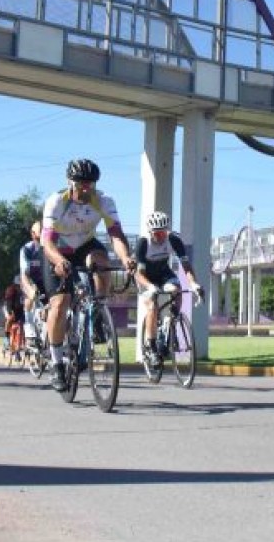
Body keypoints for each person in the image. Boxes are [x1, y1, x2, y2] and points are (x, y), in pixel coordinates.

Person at [40, 159, 135, 390]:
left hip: (85, 245)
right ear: (69, 182)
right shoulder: (56, 201)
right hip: (59, 248)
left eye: (90, 184)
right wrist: (59, 261)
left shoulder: (104, 201)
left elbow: (115, 235)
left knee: (101, 260)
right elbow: (47, 241)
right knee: (60, 303)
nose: (85, 189)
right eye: (81, 184)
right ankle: (56, 363)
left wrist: (125, 258)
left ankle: (98, 310)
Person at [132, 211, 204, 365]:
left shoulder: (173, 240)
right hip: (145, 277)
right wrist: (150, 286)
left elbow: (186, 266)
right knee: (152, 306)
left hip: (164, 273)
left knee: (177, 289)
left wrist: (193, 284)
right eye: (157, 233)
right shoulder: (143, 243)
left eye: (163, 232)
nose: (160, 236)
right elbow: (139, 274)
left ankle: (170, 324)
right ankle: (151, 347)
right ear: (150, 232)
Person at [16, 221, 45, 347]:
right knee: (30, 296)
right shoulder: (27, 249)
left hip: (45, 280)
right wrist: (30, 288)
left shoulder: (51, 246)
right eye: (40, 232)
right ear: (33, 234)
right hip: (29, 278)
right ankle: (29, 329)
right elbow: (24, 274)